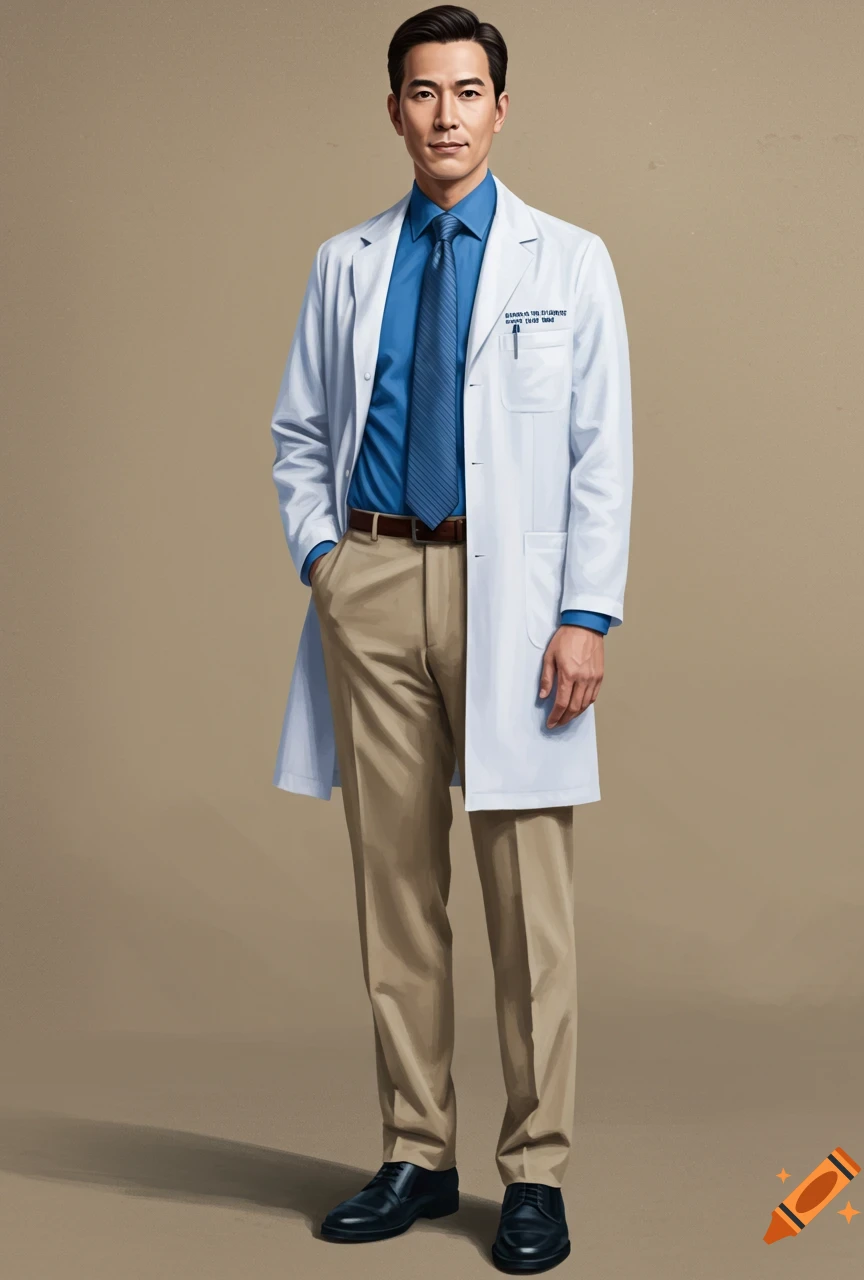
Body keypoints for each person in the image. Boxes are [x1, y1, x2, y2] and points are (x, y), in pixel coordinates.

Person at [269, 5, 632, 1273]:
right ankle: (415, 1150)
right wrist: (327, 561)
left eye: (467, 91)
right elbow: (298, 432)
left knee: (526, 896)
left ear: (500, 108)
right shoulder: (344, 260)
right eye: (421, 93)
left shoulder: (568, 261)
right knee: (396, 891)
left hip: (512, 598)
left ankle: (533, 1170)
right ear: (393, 111)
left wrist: (584, 612)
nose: (444, 115)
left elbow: (601, 452)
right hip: (371, 587)